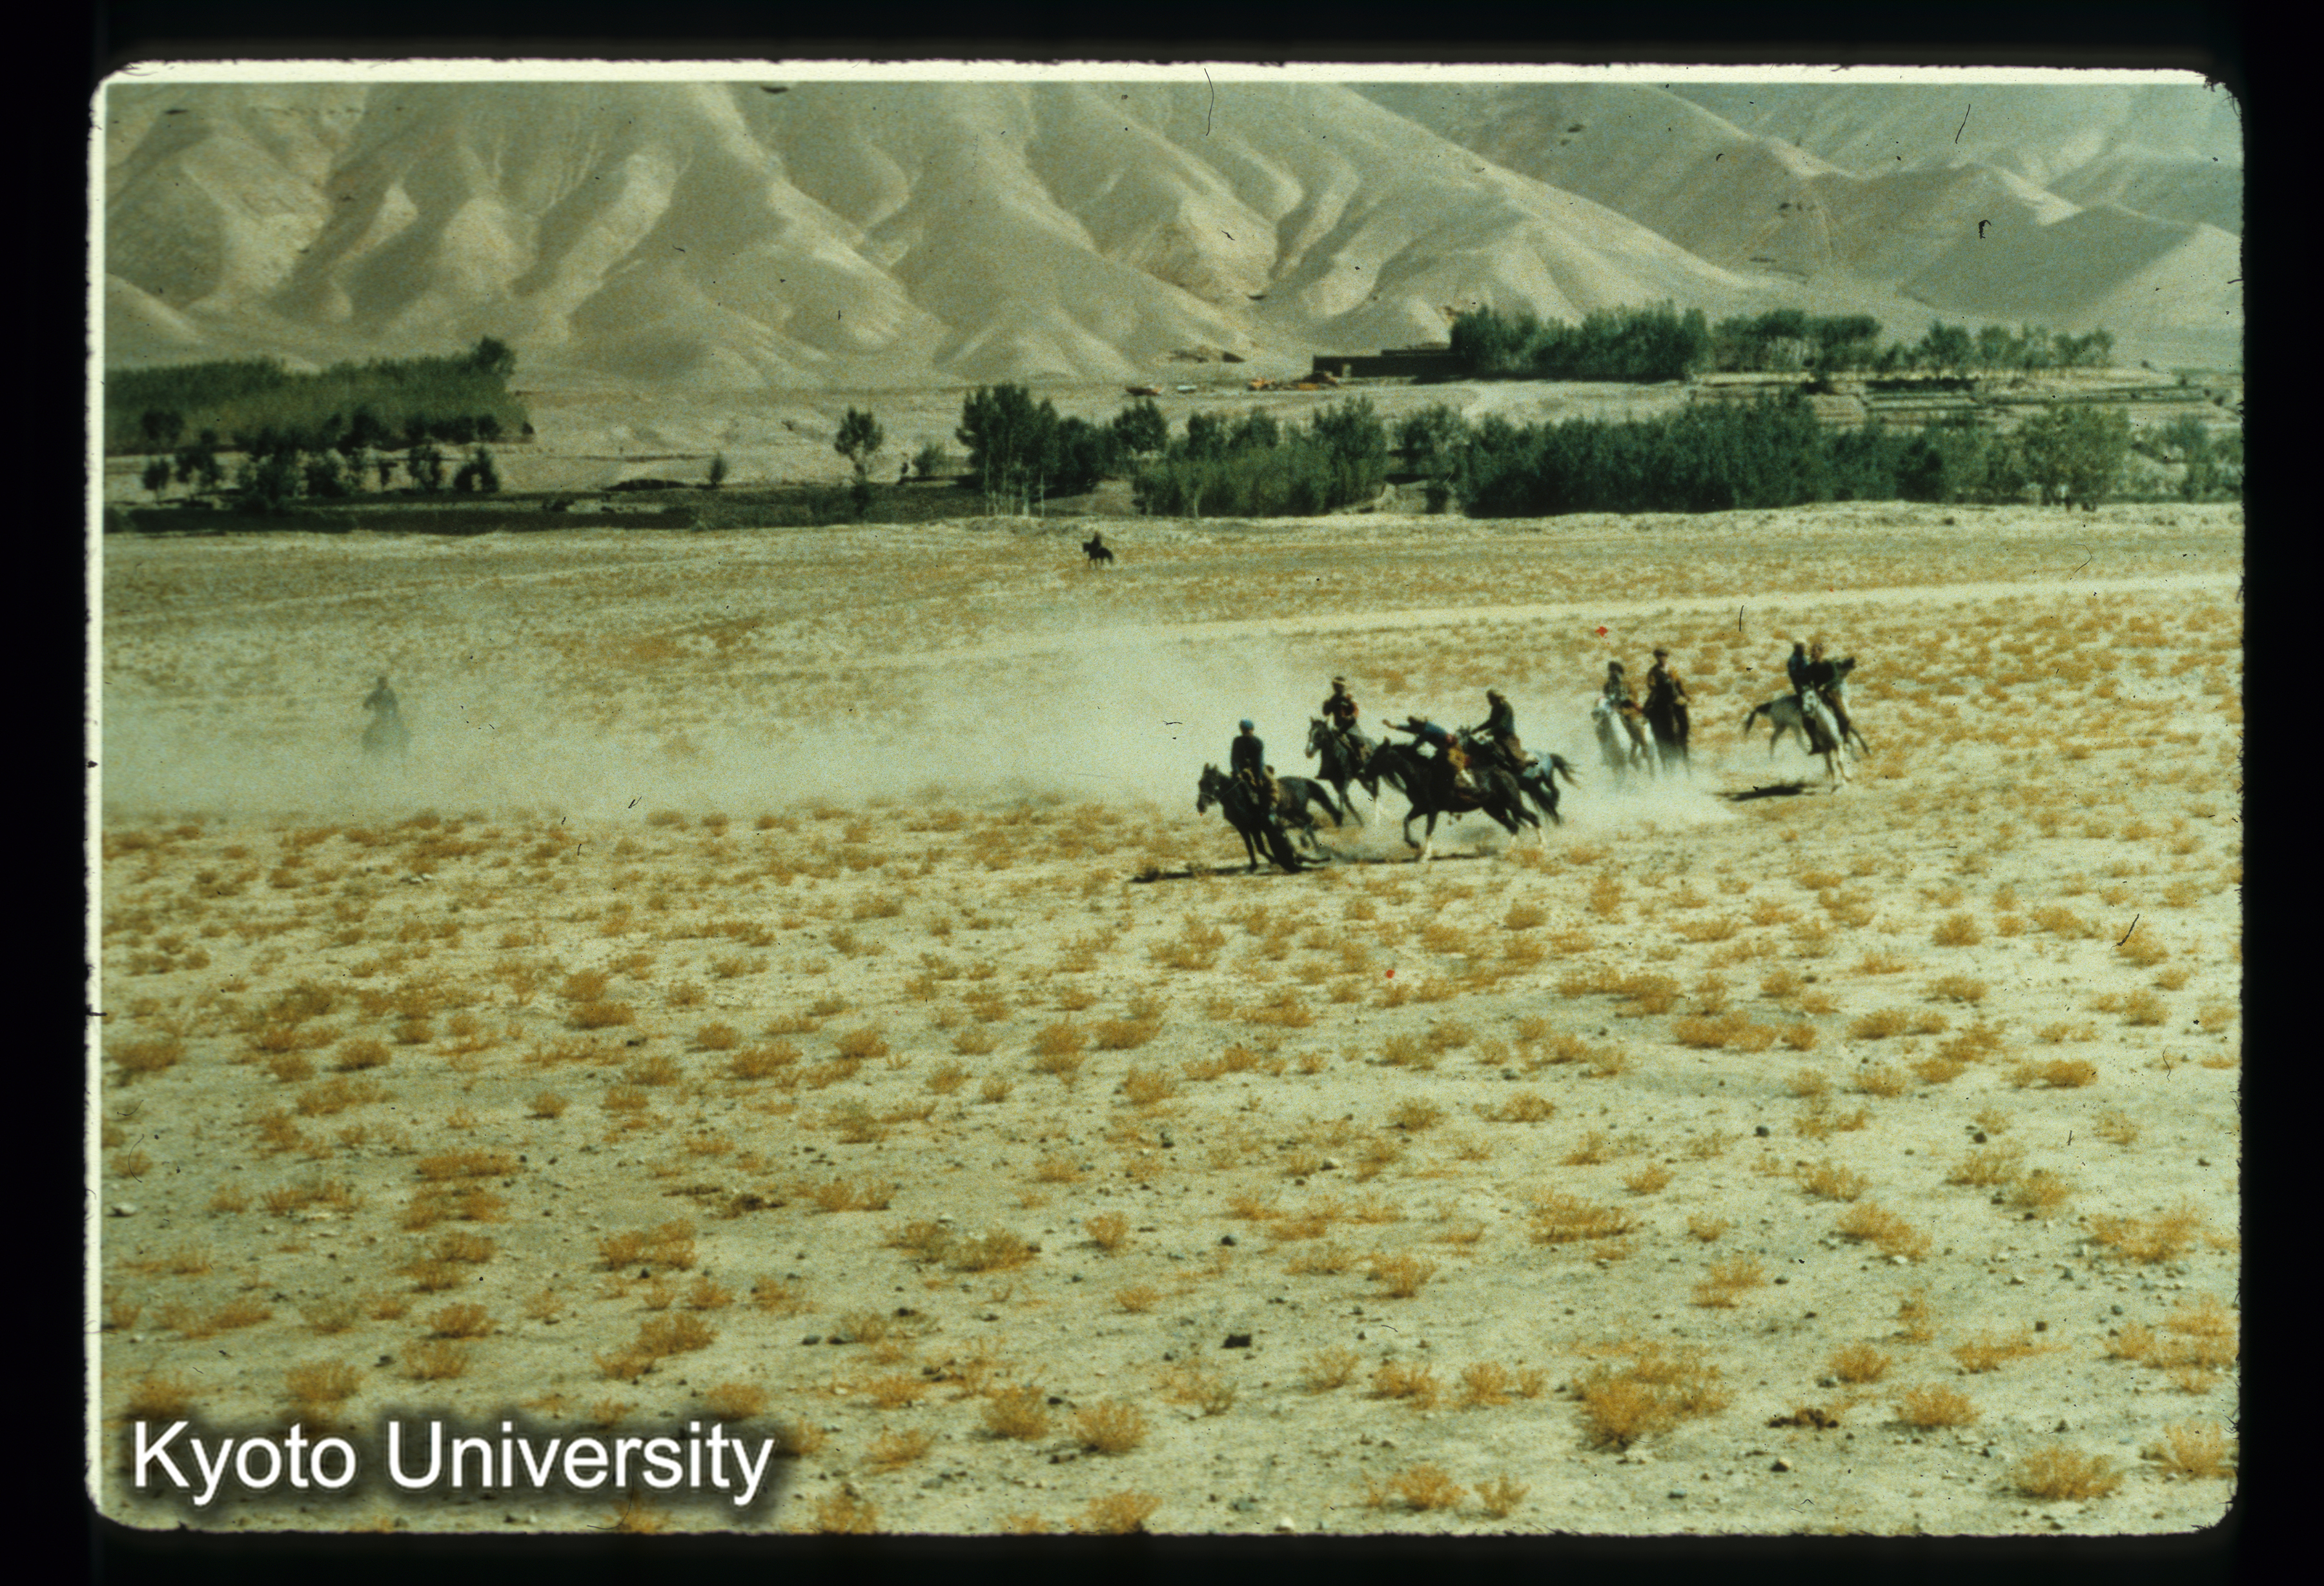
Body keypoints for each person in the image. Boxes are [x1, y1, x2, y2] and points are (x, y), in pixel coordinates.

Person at [1230, 719, 1280, 822]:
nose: (1246, 732)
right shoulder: (1237, 741)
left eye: (1248, 730)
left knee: (1272, 782)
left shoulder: (1258, 742)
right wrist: (1237, 772)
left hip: (1257, 767)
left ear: (1252, 730)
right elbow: (1234, 759)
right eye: (1244, 731)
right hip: (1242, 768)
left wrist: (1258, 778)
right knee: (1230, 785)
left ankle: (1272, 808)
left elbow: (1259, 761)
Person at [1474, 687, 1533, 773]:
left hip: (1508, 738)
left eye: (1490, 699)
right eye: (1489, 699)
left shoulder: (1506, 707)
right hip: (1498, 738)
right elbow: (1491, 721)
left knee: (1515, 758)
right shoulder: (1495, 708)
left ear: (1496, 698)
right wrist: (1477, 729)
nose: (1489, 701)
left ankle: (1524, 773)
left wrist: (1488, 732)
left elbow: (1502, 725)